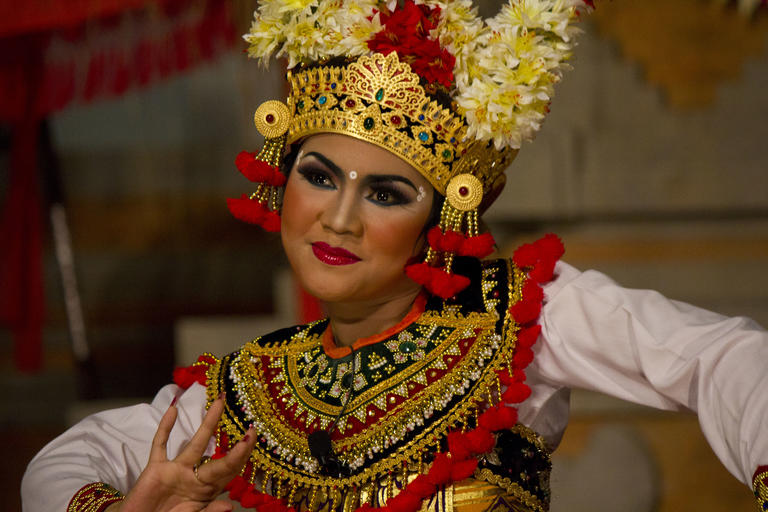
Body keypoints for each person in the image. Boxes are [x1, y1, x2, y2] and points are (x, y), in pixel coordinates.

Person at [22, 1, 768, 511]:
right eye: (317, 178)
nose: (338, 217)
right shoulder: (251, 391)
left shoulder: (513, 320)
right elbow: (61, 463)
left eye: (385, 194)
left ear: (440, 220)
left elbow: (719, 356)